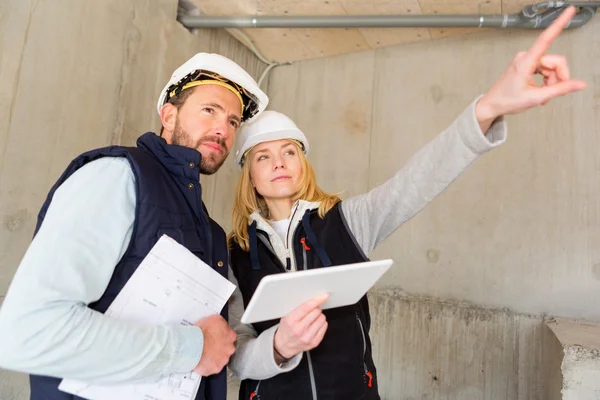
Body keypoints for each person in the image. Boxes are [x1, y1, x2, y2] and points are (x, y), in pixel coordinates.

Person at [225, 6, 587, 400]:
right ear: (251, 177)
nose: (279, 163)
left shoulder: (347, 221)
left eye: (289, 152)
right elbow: (238, 354)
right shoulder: (235, 252)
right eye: (263, 156)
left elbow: (416, 181)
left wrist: (487, 110)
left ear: (303, 162)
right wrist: (279, 346)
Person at [0, 52, 268, 400]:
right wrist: (191, 348)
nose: (223, 129)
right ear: (168, 115)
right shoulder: (116, 177)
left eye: (233, 122)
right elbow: (28, 332)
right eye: (210, 110)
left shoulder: (209, 230)